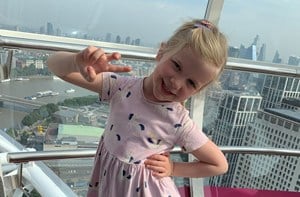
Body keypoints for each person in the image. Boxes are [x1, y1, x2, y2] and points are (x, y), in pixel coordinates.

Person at [47, 18, 228, 197]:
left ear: (198, 90)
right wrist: (76, 61)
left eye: (191, 83)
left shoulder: (178, 121)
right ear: (161, 52)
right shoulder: (121, 87)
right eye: (177, 66)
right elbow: (55, 66)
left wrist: (173, 168)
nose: (176, 82)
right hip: (112, 185)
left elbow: (219, 164)